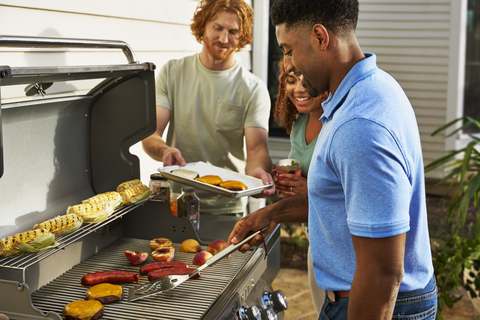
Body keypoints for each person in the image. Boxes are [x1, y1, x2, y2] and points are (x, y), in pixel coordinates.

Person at [228, 0, 437, 319]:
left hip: (373, 303)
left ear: (320, 38)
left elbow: (382, 274)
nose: (288, 63)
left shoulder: (359, 125)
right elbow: (348, 202)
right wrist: (276, 212)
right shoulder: (373, 88)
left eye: (288, 49)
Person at [142, 0, 275, 215]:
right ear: (203, 25)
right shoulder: (173, 73)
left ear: (242, 36)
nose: (224, 39)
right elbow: (151, 134)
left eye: (233, 31)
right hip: (176, 203)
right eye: (218, 27)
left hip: (227, 209)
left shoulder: (253, 89)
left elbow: (257, 150)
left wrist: (258, 172)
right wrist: (164, 150)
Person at [272, 60, 329, 315]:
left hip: (340, 242)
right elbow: (301, 175)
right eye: (291, 80)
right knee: (322, 311)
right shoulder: (298, 124)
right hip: (314, 235)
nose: (298, 88)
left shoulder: (336, 124)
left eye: (305, 79)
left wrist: (308, 189)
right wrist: (286, 182)